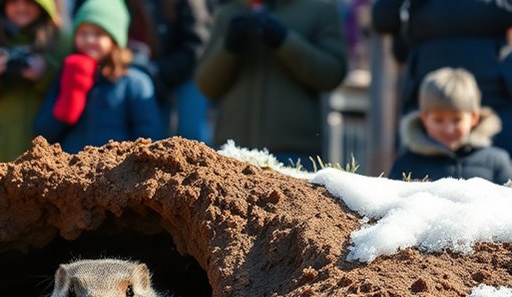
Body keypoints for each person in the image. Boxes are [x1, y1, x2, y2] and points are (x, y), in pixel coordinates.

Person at [195, 0, 348, 168]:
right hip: (231, 155)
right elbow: (206, 86)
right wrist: (228, 48)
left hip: (294, 157)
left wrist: (284, 40)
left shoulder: (320, 11)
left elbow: (332, 74)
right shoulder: (228, 13)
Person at [371, 0, 512, 155]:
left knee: (497, 165)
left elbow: (383, 19)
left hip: (492, 97)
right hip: (431, 96)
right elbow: (383, 19)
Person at [34, 0, 166, 154]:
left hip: (119, 171)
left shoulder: (134, 81)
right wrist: (70, 98)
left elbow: (149, 134)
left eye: (98, 34)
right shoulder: (66, 76)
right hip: (74, 168)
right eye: (83, 33)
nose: (89, 40)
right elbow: (43, 133)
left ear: (114, 39)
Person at [74, 0, 213, 141]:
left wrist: (157, 71)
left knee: (190, 134)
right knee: (162, 134)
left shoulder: (136, 81)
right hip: (144, 69)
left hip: (184, 71)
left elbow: (197, 43)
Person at [0, 0, 68, 171]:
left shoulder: (61, 42)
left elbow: (71, 96)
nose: (21, 7)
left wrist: (44, 73)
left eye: (29, 2)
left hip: (44, 159)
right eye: (14, 1)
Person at [388, 67, 512, 184]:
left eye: (457, 120)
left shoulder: (496, 162)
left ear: (474, 118)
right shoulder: (406, 165)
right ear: (424, 118)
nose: (448, 129)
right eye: (438, 120)